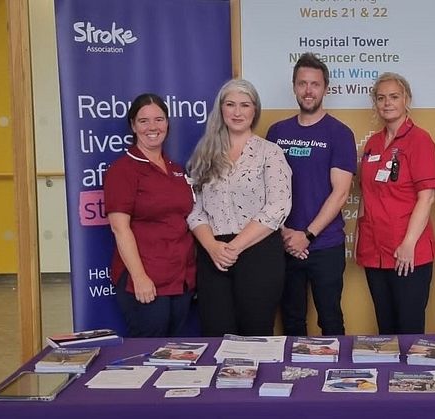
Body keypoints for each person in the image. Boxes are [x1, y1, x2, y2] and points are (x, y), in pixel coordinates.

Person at [186, 79, 292, 337]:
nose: (237, 112)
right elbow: (194, 209)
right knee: (215, 333)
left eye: (245, 105)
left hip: (258, 254)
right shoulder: (204, 153)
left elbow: (278, 207)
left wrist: (234, 247)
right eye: (230, 104)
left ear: (255, 110)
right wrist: (212, 247)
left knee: (255, 333)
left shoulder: (270, 152)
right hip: (214, 256)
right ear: (220, 109)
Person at [266, 53, 357, 336]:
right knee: (291, 322)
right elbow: (267, 190)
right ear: (294, 87)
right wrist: (285, 233)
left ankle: (336, 379)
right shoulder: (276, 132)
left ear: (325, 88)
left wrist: (306, 235)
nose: (308, 90)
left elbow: (340, 193)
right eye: (303, 83)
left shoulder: (339, 133)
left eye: (315, 84)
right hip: (283, 244)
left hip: (324, 245)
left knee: (330, 320)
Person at [104, 93, 195, 337]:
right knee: (148, 353)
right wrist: (139, 277)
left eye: (159, 119)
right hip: (145, 280)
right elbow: (119, 228)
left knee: (173, 352)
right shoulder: (122, 170)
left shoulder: (176, 170)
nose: (152, 127)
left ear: (167, 123)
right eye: (143, 121)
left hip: (180, 280)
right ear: (133, 126)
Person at [356, 72, 435, 335]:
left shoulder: (420, 140)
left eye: (394, 97)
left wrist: (408, 243)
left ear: (406, 100)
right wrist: (359, 233)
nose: (387, 103)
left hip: (407, 252)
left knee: (409, 330)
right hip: (375, 251)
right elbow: (366, 193)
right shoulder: (373, 143)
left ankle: (412, 378)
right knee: (386, 331)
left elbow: (427, 196)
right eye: (381, 98)